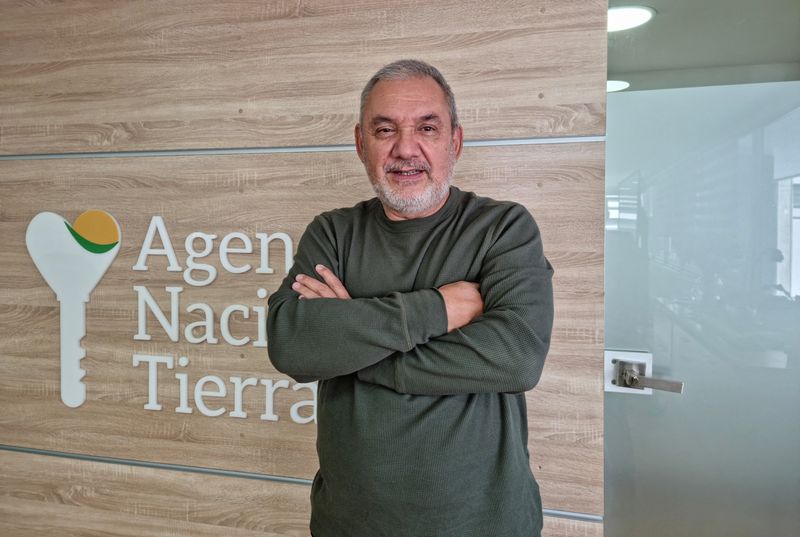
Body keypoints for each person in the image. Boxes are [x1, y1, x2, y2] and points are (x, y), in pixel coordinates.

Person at [267, 59, 554, 537]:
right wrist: (440, 308)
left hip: (483, 524)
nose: (406, 149)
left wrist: (350, 348)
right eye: (385, 129)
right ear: (361, 144)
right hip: (348, 524)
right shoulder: (333, 234)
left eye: (427, 127)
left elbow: (517, 357)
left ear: (454, 142)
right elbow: (291, 345)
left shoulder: (502, 229)